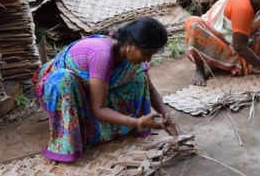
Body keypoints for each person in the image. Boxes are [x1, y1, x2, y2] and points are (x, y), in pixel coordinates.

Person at [33, 17, 178, 163]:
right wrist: (138, 122)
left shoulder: (126, 54)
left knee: (139, 76)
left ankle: (113, 126)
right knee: (63, 80)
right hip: (60, 89)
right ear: (130, 45)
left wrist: (167, 114)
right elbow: (99, 109)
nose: (148, 60)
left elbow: (150, 89)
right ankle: (73, 135)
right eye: (146, 54)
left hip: (93, 87)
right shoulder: (102, 54)